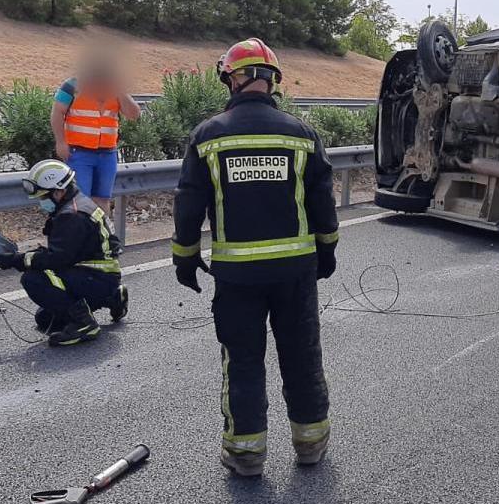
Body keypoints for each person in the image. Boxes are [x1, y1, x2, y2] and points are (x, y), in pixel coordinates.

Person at [172, 38, 339, 477]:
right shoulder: (302, 135)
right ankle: (310, 444)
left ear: (235, 78)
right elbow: (323, 201)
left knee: (243, 360)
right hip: (295, 274)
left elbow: (188, 202)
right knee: (302, 356)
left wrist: (185, 257)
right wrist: (327, 250)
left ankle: (245, 455)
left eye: (228, 76)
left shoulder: (208, 135)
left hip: (237, 278)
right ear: (271, 81)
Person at [0, 160, 129, 346]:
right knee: (45, 320)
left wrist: (17, 260)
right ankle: (113, 297)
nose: (41, 202)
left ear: (58, 191)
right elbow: (67, 252)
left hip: (94, 279)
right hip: (100, 277)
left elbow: (57, 259)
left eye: (44, 196)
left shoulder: (71, 216)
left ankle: (84, 324)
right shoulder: (78, 204)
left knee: (33, 279)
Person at [50, 56, 142, 210]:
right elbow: (57, 112)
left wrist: (120, 91)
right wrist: (60, 142)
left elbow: (134, 114)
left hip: (107, 154)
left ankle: (100, 233)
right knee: (80, 200)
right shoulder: (72, 85)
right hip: (78, 153)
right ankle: (82, 231)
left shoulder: (115, 90)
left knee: (103, 200)